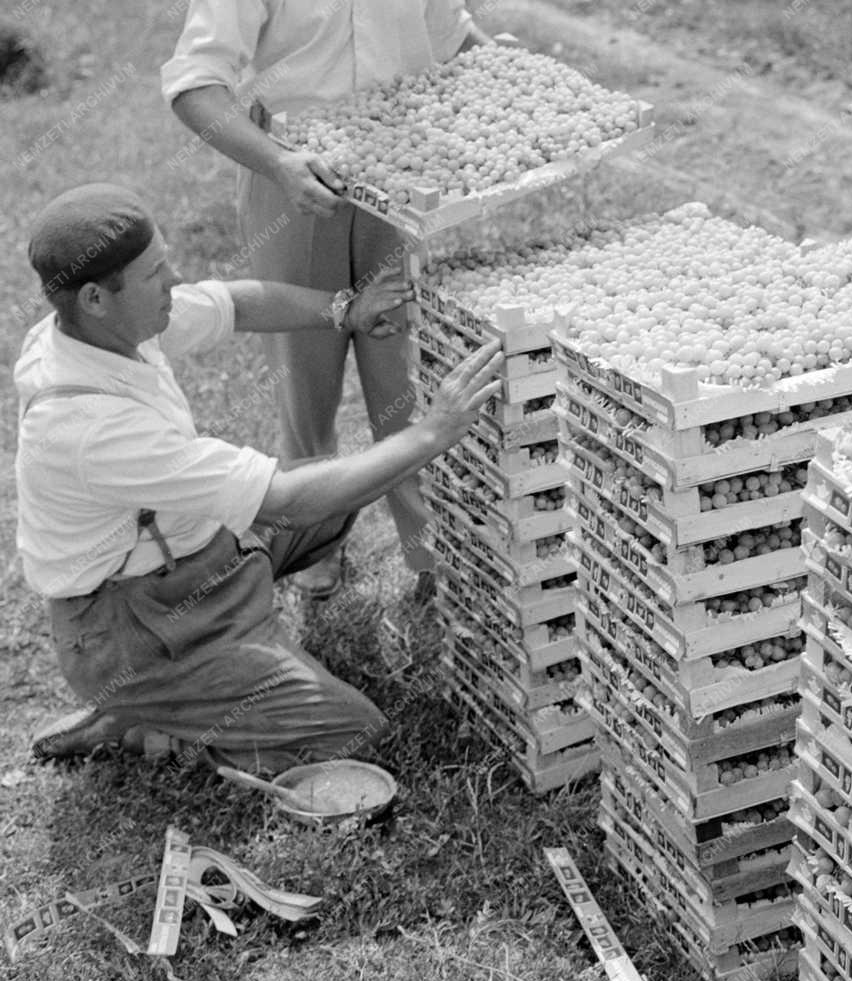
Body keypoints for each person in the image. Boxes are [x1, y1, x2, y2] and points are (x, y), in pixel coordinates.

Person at [17, 183, 502, 771]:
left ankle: (199, 684)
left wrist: (343, 308)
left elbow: (237, 304)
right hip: (133, 626)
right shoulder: (88, 427)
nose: (175, 282)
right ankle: (149, 714)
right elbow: (284, 504)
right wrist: (432, 432)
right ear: (95, 297)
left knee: (338, 483)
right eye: (155, 274)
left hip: (191, 554)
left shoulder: (101, 327)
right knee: (352, 731)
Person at [161, 0, 493, 597]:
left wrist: (523, 85)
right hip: (293, 196)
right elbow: (196, 84)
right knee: (307, 390)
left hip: (395, 195)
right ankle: (318, 571)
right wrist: (278, 159)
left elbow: (458, 45)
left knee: (404, 388)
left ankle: (432, 567)